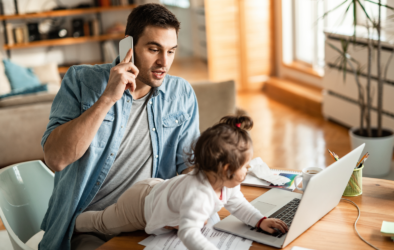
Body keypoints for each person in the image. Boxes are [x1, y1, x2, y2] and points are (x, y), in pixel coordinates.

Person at [39, 4, 200, 250]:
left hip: (151, 224)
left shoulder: (181, 93)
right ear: (129, 46)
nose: (163, 62)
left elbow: (189, 167)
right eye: (154, 49)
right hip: (89, 227)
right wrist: (107, 99)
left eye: (171, 51)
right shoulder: (81, 81)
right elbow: (56, 159)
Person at [74, 116, 289, 250]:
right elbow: (189, 233)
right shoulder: (199, 194)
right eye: (245, 165)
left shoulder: (225, 183)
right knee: (103, 222)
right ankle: (74, 223)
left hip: (157, 190)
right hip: (138, 207)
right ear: (226, 169)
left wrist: (260, 221)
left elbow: (238, 204)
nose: (248, 169)